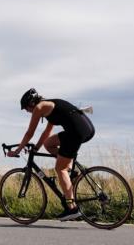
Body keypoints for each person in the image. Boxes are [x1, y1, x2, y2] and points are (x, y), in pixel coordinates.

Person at [7, 88, 95, 221]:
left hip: (76, 133)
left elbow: (29, 133)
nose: (27, 111)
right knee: (48, 144)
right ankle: (72, 172)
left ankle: (72, 208)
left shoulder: (39, 107)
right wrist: (36, 148)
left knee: (60, 169)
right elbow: (46, 133)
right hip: (86, 129)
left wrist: (17, 151)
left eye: (26, 108)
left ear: (31, 103)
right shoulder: (49, 107)